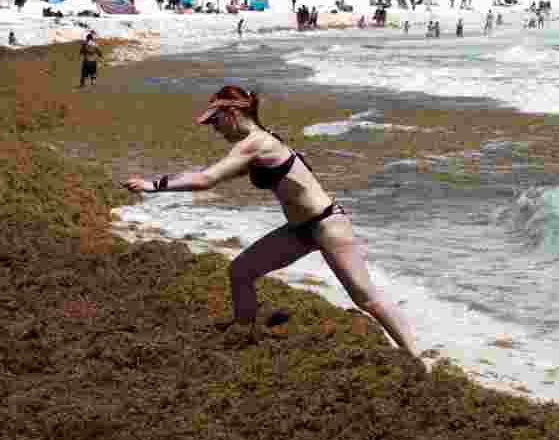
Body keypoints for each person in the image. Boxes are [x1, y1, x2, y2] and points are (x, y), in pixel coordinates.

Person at [122, 86, 421, 359]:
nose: (214, 129)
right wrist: (165, 180)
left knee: (365, 298)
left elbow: (205, 180)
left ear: (233, 113)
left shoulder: (258, 143)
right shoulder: (254, 147)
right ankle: (244, 337)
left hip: (327, 225)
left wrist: (154, 186)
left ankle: (416, 360)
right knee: (240, 271)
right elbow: (206, 173)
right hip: (301, 231)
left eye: (216, 121)